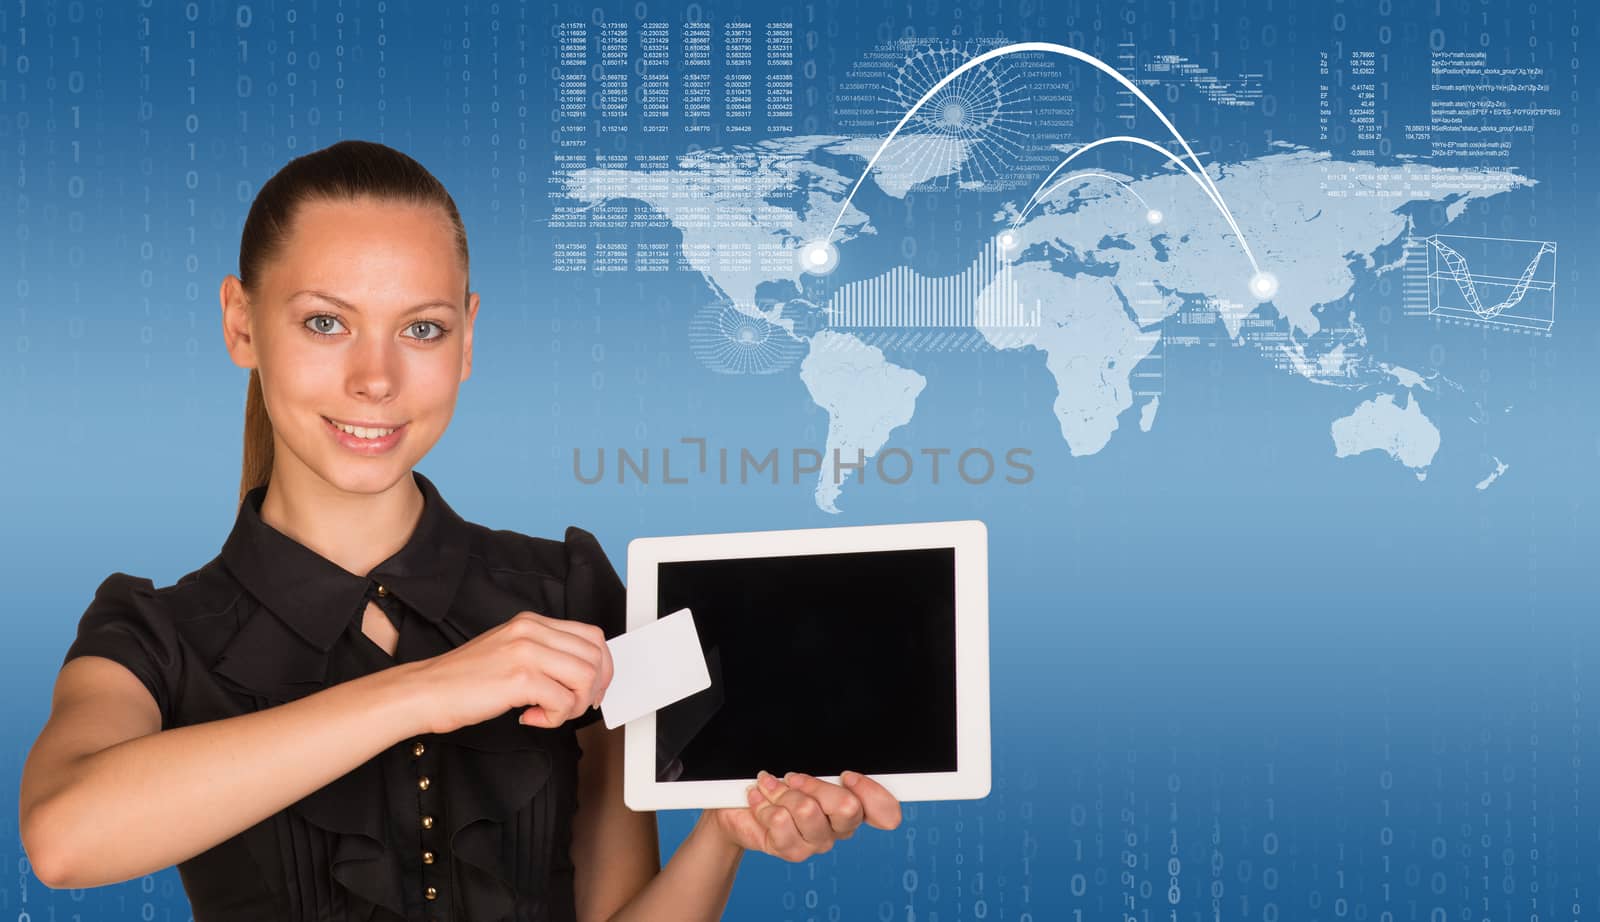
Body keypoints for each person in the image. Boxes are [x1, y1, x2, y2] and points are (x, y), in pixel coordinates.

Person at [17, 139, 902, 921]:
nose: (376, 378)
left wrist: (721, 837)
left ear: (468, 339)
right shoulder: (154, 634)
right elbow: (63, 840)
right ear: (241, 324)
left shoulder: (571, 595)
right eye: (326, 322)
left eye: (422, 329)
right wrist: (429, 689)